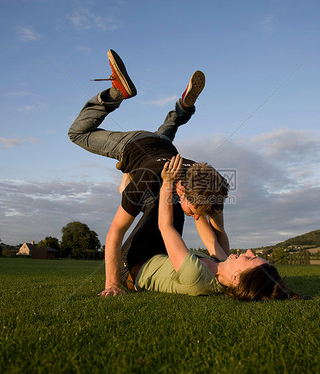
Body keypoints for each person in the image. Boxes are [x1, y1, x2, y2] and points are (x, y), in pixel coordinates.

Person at [69, 49, 230, 297]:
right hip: (134, 144)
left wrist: (223, 261)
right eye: (193, 210)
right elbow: (115, 232)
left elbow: (208, 229)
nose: (194, 216)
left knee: (165, 134)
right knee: (78, 133)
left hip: (162, 144)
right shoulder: (146, 178)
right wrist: (111, 283)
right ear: (180, 189)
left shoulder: (204, 182)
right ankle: (116, 93)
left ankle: (182, 109)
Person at [134, 154, 301, 301]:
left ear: (236, 278)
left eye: (250, 259)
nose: (249, 252)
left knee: (152, 198)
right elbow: (209, 238)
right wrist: (198, 201)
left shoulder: (197, 276)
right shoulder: (222, 263)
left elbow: (165, 227)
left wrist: (168, 182)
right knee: (172, 204)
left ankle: (131, 172)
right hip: (155, 255)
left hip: (133, 266)